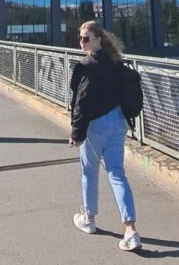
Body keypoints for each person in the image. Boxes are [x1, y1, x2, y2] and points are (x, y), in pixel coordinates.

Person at [69, 20, 141, 252]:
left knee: (89, 171)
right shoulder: (115, 62)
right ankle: (130, 230)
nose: (82, 42)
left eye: (86, 38)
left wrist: (77, 133)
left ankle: (89, 218)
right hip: (118, 122)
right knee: (116, 173)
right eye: (80, 38)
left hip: (96, 126)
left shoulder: (87, 65)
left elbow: (82, 102)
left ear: (98, 39)